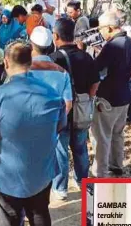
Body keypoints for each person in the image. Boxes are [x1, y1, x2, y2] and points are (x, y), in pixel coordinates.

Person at [0, 40, 66, 226]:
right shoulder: (53, 95)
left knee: (9, 217)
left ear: (6, 62)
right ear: (30, 62)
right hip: (42, 171)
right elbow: (59, 126)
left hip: (6, 174)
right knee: (39, 212)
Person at [49, 18, 100, 200]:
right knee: (80, 149)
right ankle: (82, 182)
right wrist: (87, 99)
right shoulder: (86, 56)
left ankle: (61, 188)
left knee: (61, 151)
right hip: (82, 111)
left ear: (55, 36)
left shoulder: (53, 60)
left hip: (61, 112)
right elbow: (95, 82)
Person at [90, 11, 131, 177]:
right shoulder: (130, 42)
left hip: (108, 97)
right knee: (118, 134)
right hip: (124, 94)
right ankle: (117, 165)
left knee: (102, 136)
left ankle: (100, 171)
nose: (100, 33)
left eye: (101, 29)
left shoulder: (112, 45)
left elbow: (96, 68)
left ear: (109, 28)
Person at [30, 26, 73, 114]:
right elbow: (68, 104)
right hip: (53, 124)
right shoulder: (62, 73)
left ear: (31, 45)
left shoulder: (21, 70)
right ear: (50, 47)